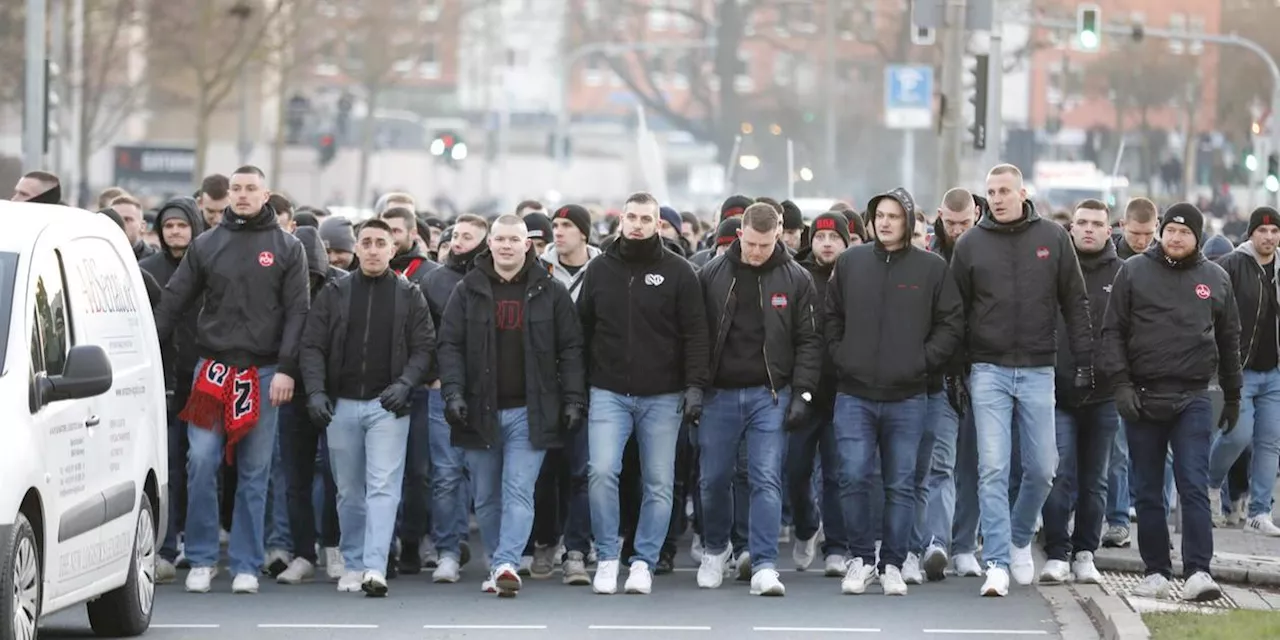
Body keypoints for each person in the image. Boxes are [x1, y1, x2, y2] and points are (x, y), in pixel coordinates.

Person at [152, 165, 309, 595]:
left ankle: (245, 563)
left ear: (266, 195)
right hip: (213, 369)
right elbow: (173, 302)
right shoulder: (206, 243)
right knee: (200, 460)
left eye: (250, 189)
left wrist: (287, 370)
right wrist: (147, 348)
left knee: (255, 471)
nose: (242, 195)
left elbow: (298, 313)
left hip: (263, 372)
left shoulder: (287, 247)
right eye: (236, 189)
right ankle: (202, 558)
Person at [950, 164, 1092, 597]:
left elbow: (1075, 301)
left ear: (1022, 193)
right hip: (988, 369)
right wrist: (958, 371)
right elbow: (955, 313)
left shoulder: (1052, 237)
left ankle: (1016, 537)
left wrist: (1085, 361)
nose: (997, 198)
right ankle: (995, 560)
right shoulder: (970, 244)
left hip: (1037, 368)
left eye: (1004, 190)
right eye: (990, 191)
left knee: (1044, 468)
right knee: (992, 468)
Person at [437, 215, 586, 597]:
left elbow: (570, 349)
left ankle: (505, 562)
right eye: (499, 238)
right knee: (485, 496)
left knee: (519, 490)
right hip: (478, 409)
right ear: (489, 244)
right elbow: (449, 345)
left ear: (527, 245)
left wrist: (572, 399)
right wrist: (452, 393)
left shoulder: (550, 291)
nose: (505, 245)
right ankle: (498, 561)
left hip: (530, 412)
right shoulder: (467, 289)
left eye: (513, 239)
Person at [1100, 202, 1240, 602]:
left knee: (1193, 484)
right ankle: (1156, 569)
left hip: (1193, 396)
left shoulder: (1215, 279)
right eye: (1171, 230)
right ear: (1161, 231)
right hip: (1142, 396)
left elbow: (1229, 340)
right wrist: (1121, 385)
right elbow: (1113, 332)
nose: (1176, 238)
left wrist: (1233, 396)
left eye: (1185, 232)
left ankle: (1198, 570)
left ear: (1197, 236)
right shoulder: (1134, 271)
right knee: (1146, 489)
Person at [825, 188, 963, 596]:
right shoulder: (850, 263)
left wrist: (921, 361)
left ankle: (893, 564)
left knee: (902, 483)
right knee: (852, 477)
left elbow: (951, 324)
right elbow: (831, 316)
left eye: (893, 216)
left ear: (907, 221)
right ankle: (861, 559)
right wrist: (842, 355)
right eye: (879, 215)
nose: (884, 222)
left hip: (908, 396)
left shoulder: (932, 268)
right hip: (854, 393)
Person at [577, 192, 710, 595]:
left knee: (659, 482)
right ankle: (605, 556)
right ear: (621, 221)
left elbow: (696, 335)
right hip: (608, 391)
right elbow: (581, 331)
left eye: (645, 218)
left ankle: (642, 561)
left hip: (663, 395)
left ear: (658, 224)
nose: (637, 224)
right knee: (601, 472)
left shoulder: (680, 271)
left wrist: (694, 387)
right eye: (631, 217)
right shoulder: (599, 269)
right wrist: (577, 388)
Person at [301, 218, 436, 596]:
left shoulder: (410, 295)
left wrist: (405, 384)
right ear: (356, 248)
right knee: (348, 490)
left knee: (384, 487)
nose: (374, 249)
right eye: (367, 242)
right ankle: (353, 561)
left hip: (387, 407)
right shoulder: (334, 292)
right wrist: (315, 391)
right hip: (341, 404)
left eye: (382, 242)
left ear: (394, 250)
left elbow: (425, 347)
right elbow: (312, 345)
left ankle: (374, 567)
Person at [695, 203, 822, 596]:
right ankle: (716, 549)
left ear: (779, 235)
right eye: (750, 243)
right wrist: (695, 387)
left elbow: (809, 341)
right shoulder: (712, 274)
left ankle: (764, 563)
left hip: (771, 394)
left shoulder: (797, 278)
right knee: (713, 479)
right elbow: (697, 338)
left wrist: (803, 393)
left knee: (766, 478)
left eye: (765, 245)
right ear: (739, 234)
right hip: (719, 394)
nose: (756, 252)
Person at [1039, 200, 1123, 585]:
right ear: (1071, 228)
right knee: (1059, 475)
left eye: (1097, 223)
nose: (1089, 229)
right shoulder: (1053, 269)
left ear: (1109, 230)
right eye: (1082, 222)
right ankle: (1057, 551)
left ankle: (1085, 551)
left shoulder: (1123, 274)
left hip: (1104, 394)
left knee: (1096, 480)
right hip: (1058, 391)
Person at [420, 214, 489, 584]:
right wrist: (433, 376)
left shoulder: (496, 279)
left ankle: (498, 553)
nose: (458, 242)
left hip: (490, 392)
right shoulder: (433, 281)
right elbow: (424, 335)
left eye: (467, 236)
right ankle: (449, 550)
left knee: (486, 475)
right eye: (456, 235)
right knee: (446, 475)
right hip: (443, 389)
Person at [139, 196, 205, 583]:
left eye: (182, 224)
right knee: (167, 469)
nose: (176, 231)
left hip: (203, 381)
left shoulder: (210, 266)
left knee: (200, 467)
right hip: (159, 385)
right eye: (169, 226)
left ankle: (195, 547)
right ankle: (163, 548)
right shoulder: (146, 270)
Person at [919, 188, 985, 581]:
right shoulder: (928, 258)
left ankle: (964, 545)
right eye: (951, 222)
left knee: (977, 464)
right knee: (940, 463)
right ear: (939, 216)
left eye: (964, 223)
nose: (957, 230)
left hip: (983, 367)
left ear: (976, 215)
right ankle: (938, 542)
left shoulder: (988, 249)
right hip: (942, 373)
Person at [1207, 206, 1280, 536]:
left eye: (1274, 231)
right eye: (1262, 231)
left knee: (1270, 442)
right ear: (1251, 233)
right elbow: (1211, 310)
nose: (1268, 236)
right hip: (1240, 370)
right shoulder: (1233, 264)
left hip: (1275, 372)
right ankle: (1209, 486)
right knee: (1237, 435)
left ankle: (1260, 511)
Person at [788, 212, 853, 577]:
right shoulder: (799, 276)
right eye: (820, 238)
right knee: (795, 469)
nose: (826, 244)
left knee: (837, 473)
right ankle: (806, 524)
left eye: (834, 238)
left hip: (844, 389)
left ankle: (837, 547)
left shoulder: (857, 275)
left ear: (846, 242)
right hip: (804, 389)